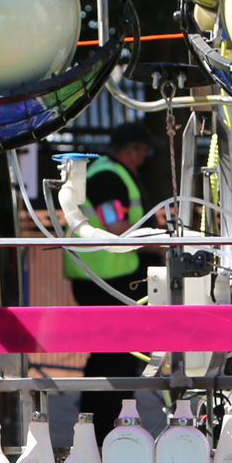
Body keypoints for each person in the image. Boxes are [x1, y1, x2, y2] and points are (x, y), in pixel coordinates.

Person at [65, 123, 156, 422]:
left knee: (111, 353)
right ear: (130, 149)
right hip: (105, 279)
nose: (145, 158)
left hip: (105, 276)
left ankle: (102, 423)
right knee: (114, 356)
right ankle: (107, 425)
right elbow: (114, 228)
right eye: (144, 151)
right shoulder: (107, 175)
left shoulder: (111, 172)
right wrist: (158, 244)